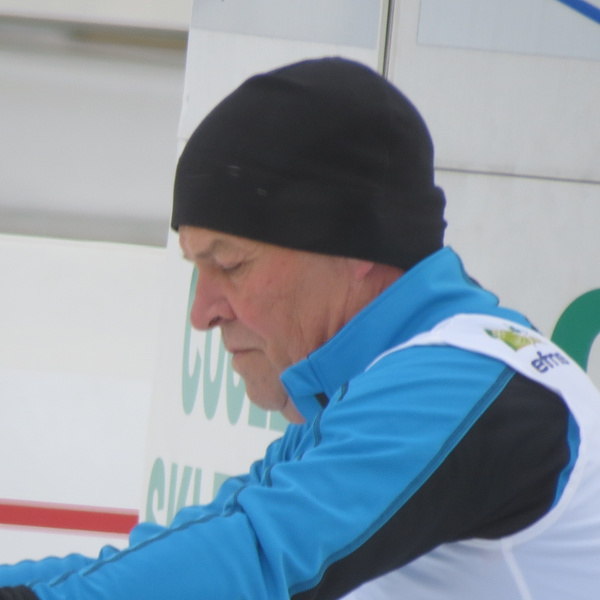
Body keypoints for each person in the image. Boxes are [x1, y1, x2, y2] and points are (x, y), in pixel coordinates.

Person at [1, 57, 599, 600]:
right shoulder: (388, 386)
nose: (202, 311)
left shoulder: (460, 377)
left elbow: (256, 561)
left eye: (230, 264)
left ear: (357, 247)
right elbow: (177, 551)